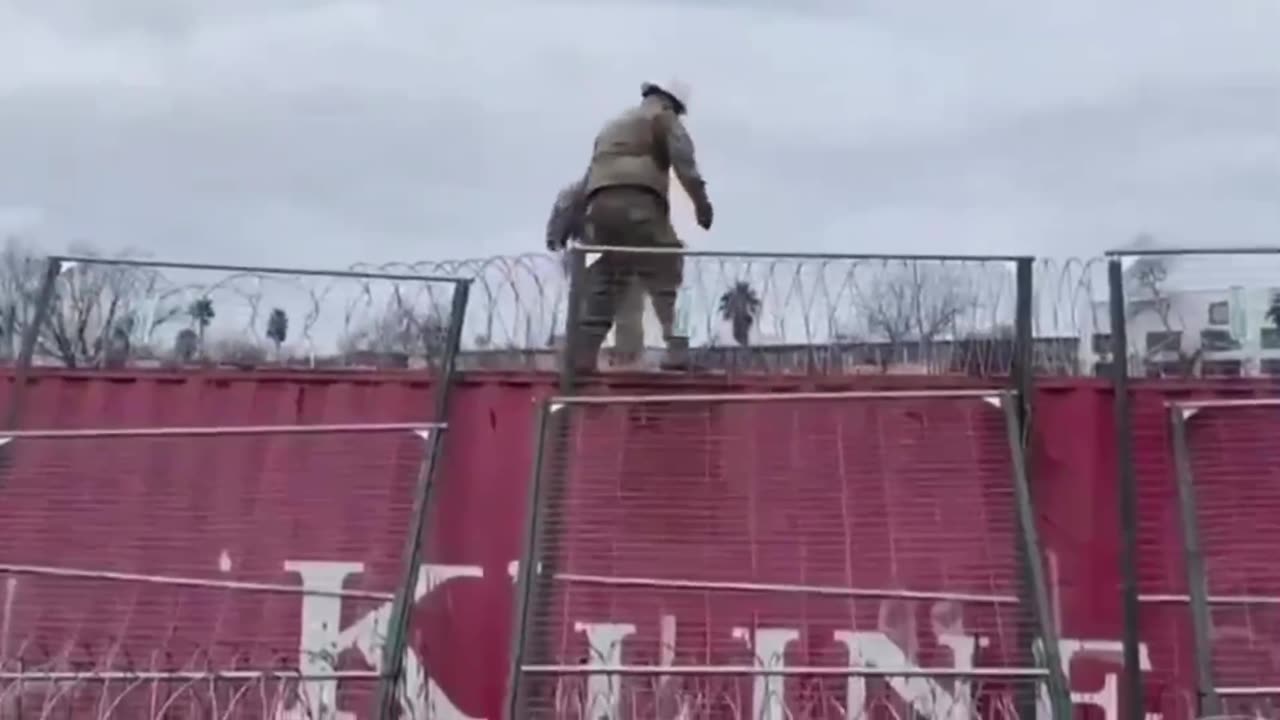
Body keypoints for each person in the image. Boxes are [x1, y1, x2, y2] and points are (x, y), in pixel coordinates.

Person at [544, 79, 714, 371]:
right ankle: (678, 351)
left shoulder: (612, 128)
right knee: (668, 271)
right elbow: (684, 161)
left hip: (599, 210)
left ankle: (581, 360)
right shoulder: (663, 117)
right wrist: (702, 205)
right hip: (640, 204)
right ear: (672, 103)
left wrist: (561, 225)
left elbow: (588, 179)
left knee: (605, 283)